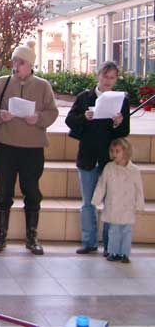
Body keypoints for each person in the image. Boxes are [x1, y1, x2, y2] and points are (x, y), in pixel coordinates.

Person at [0, 41, 58, 255]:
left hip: (32, 149)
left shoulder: (43, 86)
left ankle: (31, 237)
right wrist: (0, 115)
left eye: (21, 62)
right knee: (4, 192)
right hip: (5, 146)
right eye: (14, 61)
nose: (16, 66)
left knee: (32, 192)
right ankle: (1, 236)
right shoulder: (2, 83)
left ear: (30, 65)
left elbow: (53, 112)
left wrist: (38, 118)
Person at [65, 61, 130, 256]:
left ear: (116, 79)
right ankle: (89, 242)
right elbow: (70, 120)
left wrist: (118, 123)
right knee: (88, 203)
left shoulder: (121, 101)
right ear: (98, 76)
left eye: (112, 78)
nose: (107, 81)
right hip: (87, 157)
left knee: (110, 202)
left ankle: (110, 245)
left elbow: (124, 131)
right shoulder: (85, 97)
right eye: (105, 76)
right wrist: (85, 117)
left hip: (109, 159)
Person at [92, 138, 144, 263]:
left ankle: (125, 253)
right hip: (113, 206)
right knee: (114, 230)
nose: (114, 154)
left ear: (126, 152)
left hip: (127, 206)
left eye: (117, 151)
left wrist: (139, 205)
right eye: (112, 151)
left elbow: (139, 189)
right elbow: (101, 185)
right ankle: (113, 252)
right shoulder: (109, 168)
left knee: (127, 231)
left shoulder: (134, 170)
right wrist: (96, 200)